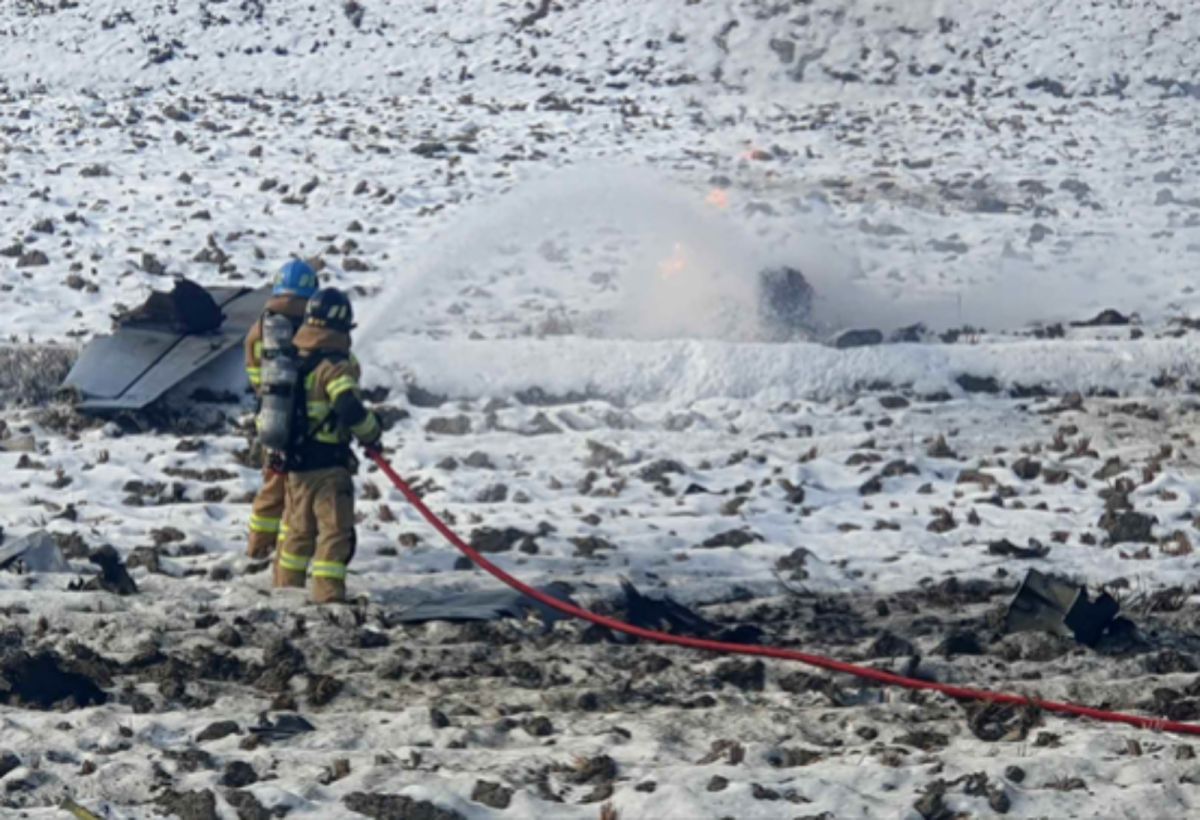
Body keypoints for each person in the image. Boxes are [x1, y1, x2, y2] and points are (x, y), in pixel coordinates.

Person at [273, 288, 382, 604]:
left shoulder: (294, 357)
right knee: (335, 533)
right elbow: (348, 407)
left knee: (297, 532)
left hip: (295, 464)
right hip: (327, 468)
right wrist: (372, 431)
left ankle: (286, 594)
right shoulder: (335, 366)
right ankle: (328, 597)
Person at [244, 259, 319, 559]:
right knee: (296, 492)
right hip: (307, 422)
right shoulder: (313, 325)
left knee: (272, 484)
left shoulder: (261, 327)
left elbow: (254, 375)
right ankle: (289, 555)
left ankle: (258, 547)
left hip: (272, 417)